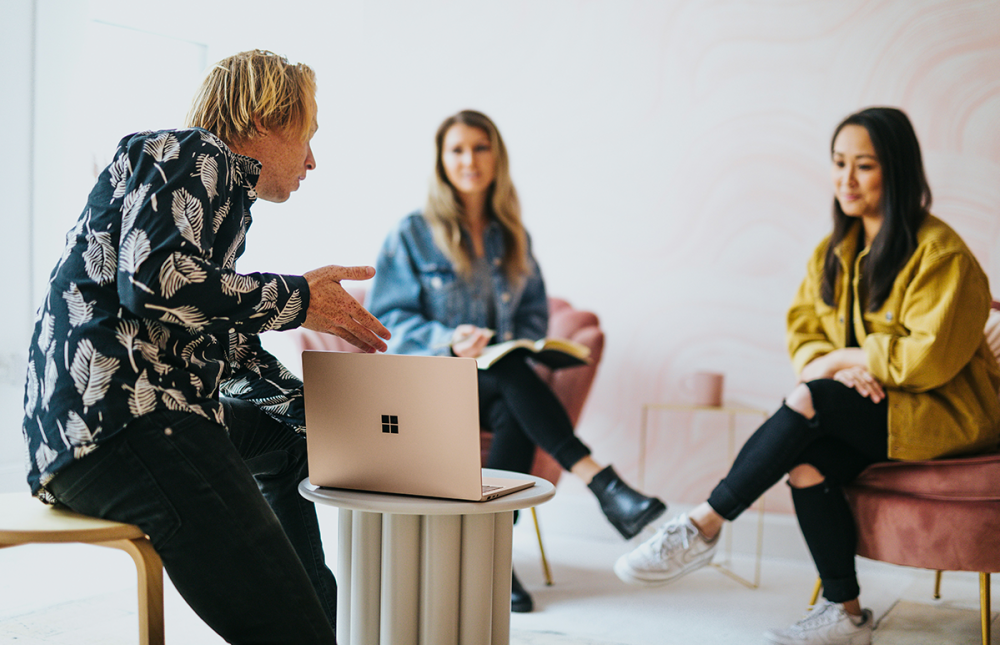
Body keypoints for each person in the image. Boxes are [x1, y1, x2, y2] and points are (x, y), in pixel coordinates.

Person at [21, 50, 391, 645]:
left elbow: (226, 347)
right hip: (126, 424)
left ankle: (320, 617)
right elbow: (152, 283)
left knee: (294, 446)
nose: (313, 160)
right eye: (308, 135)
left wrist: (333, 421)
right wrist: (297, 298)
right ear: (263, 119)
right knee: (293, 633)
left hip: (105, 430)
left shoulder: (210, 194)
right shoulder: (192, 153)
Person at [615, 107, 1000, 645]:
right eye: (839, 162)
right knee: (805, 462)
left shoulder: (941, 254)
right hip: (878, 412)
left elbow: (925, 360)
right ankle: (847, 614)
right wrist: (838, 366)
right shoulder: (833, 253)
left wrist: (842, 362)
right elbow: (804, 333)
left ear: (897, 170)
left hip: (945, 417)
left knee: (812, 398)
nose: (845, 178)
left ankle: (703, 524)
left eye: (863, 165)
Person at [366, 109, 666, 613]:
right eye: (457, 149)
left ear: (496, 157)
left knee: (511, 382)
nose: (469, 160)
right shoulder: (412, 233)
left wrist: (518, 344)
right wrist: (450, 340)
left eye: (480, 148)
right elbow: (387, 319)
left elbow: (530, 318)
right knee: (510, 378)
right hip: (433, 387)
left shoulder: (513, 236)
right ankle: (602, 484)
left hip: (492, 389)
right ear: (441, 160)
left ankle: (491, 557)